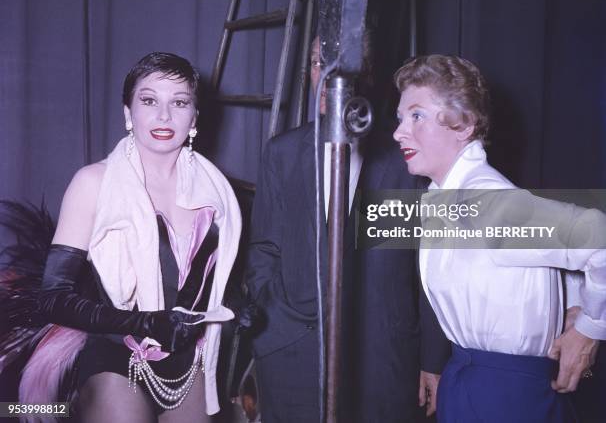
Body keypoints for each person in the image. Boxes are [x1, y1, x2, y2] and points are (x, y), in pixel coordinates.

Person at [18, 52, 242, 422]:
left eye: (180, 102)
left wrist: (236, 303)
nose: (164, 116)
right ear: (128, 113)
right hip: (116, 353)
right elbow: (53, 299)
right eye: (149, 100)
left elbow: (207, 280)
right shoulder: (93, 183)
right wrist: (143, 323)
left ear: (195, 118)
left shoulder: (216, 191)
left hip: (189, 362)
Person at [246, 37, 450, 423]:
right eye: (318, 62)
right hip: (292, 358)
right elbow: (264, 248)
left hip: (382, 362)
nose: (327, 75)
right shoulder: (283, 153)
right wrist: (273, 321)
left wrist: (432, 359)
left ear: (367, 73)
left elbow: (428, 269)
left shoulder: (405, 159)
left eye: (342, 62)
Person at [392, 54, 606, 423]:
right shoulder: (448, 198)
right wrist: (573, 300)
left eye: (417, 115)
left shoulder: (487, 203)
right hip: (469, 378)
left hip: (507, 398)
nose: (399, 132)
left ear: (463, 125)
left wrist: (590, 328)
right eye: (400, 118)